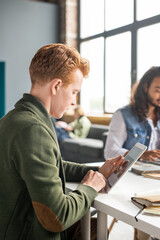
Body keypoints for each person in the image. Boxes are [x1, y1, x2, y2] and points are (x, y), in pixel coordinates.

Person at [0, 43, 127, 240]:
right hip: (26, 233)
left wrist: (96, 173)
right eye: (74, 92)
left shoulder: (16, 118)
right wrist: (91, 187)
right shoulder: (33, 129)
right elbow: (57, 217)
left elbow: (52, 164)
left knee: (93, 227)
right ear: (57, 86)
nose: (74, 101)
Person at [104, 66, 160, 240]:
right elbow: (110, 152)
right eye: (158, 90)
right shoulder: (123, 115)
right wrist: (141, 154)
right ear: (145, 88)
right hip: (129, 181)